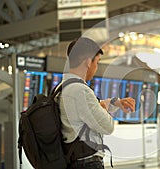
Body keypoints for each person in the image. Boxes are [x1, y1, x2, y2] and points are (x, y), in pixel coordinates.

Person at [58, 37, 135, 169]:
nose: (96, 68)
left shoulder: (61, 87)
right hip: (87, 163)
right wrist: (104, 108)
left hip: (73, 161)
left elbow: (89, 109)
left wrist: (115, 103)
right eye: (97, 62)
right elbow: (107, 126)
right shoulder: (80, 91)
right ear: (88, 62)